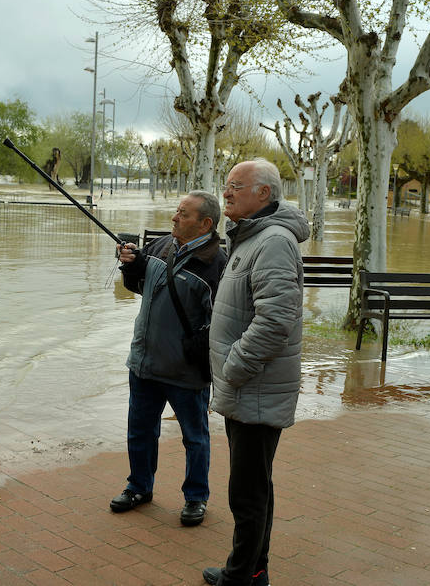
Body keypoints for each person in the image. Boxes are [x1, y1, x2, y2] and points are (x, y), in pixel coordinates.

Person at [202, 159, 309, 586]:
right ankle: (253, 571)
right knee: (254, 487)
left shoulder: (274, 241)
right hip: (248, 386)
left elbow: (276, 319)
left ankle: (240, 575)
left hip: (254, 386)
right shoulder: (251, 237)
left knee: (246, 493)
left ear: (263, 194)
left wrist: (234, 367)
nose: (226, 192)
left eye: (236, 186)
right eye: (225, 185)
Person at [111, 190, 228, 527]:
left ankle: (195, 498)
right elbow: (137, 286)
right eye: (177, 211)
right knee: (139, 431)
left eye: (183, 213)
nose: (175, 218)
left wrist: (199, 351)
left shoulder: (217, 265)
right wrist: (130, 263)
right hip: (144, 362)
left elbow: (221, 322)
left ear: (205, 223)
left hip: (185, 371)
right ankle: (138, 487)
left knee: (195, 437)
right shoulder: (162, 246)